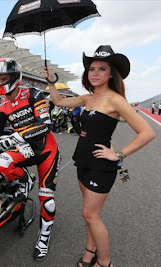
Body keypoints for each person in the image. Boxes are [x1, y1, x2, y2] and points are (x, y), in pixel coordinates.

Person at [44, 45, 155, 267]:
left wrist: (119, 153)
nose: (95, 73)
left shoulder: (116, 100)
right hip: (82, 161)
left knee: (90, 214)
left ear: (111, 74)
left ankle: (104, 262)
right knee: (88, 214)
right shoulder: (88, 98)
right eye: (91, 68)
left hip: (101, 165)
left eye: (102, 69)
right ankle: (90, 250)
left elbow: (147, 132)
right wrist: (51, 82)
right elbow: (58, 101)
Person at [0, 58, 60, 261]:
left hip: (46, 149)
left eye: (4, 78)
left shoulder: (33, 94)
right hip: (25, 148)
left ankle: (44, 238)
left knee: (47, 201)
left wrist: (15, 137)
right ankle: (24, 180)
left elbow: (45, 125)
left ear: (14, 77)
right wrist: (3, 140)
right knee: (0, 164)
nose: (1, 83)